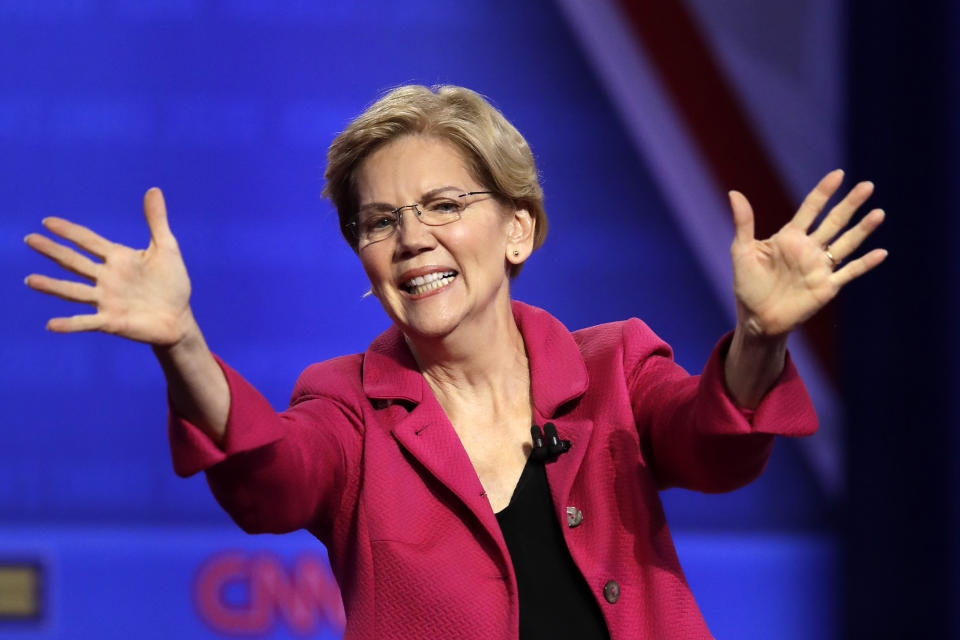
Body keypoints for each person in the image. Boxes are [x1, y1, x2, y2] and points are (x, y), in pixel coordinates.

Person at [24, 84, 886, 639]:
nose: (410, 240)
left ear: (519, 229)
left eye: (443, 204)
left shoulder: (613, 368)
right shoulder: (350, 408)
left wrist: (762, 335)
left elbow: (715, 443)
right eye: (379, 221)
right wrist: (183, 343)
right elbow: (270, 477)